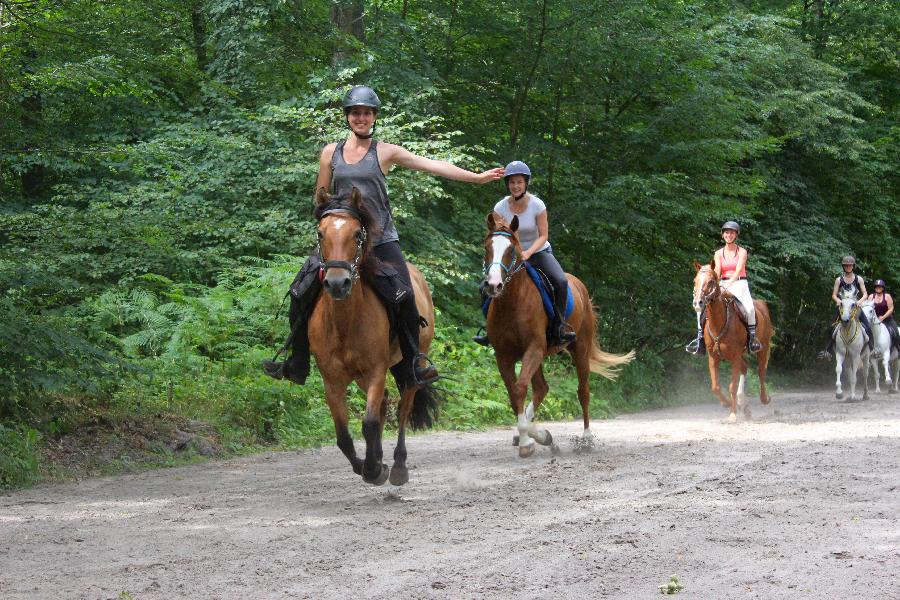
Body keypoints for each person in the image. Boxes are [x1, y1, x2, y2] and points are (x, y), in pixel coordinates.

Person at [263, 85, 504, 387]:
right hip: (343, 242)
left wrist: (476, 177)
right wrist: (332, 218)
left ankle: (414, 362)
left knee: (405, 296)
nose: (360, 117)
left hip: (381, 240)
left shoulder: (385, 152)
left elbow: (432, 165)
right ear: (348, 117)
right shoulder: (330, 153)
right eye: (355, 113)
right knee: (300, 290)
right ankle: (297, 361)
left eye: (366, 113)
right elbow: (320, 195)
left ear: (374, 117)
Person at [472, 160, 576, 348]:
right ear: (507, 185)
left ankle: (559, 327)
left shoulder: (537, 205)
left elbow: (544, 235)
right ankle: (489, 330)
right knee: (485, 286)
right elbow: (499, 236)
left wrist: (528, 252)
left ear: (525, 183)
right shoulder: (500, 208)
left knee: (560, 282)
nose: (515, 186)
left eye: (519, 182)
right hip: (510, 254)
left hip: (538, 251)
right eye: (512, 182)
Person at [685, 221, 761, 354]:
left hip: (739, 283)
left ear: (736, 235)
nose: (729, 235)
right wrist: (717, 284)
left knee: (749, 309)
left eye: (732, 232)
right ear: (723, 235)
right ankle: (699, 339)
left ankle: (752, 339)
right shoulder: (718, 253)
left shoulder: (742, 251)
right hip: (722, 283)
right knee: (701, 307)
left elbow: (738, 271)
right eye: (726, 232)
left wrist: (728, 284)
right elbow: (718, 271)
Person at [821, 256, 873, 358]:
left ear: (853, 266)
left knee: (867, 327)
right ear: (843, 267)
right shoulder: (839, 280)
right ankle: (827, 351)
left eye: (850, 265)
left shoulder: (859, 279)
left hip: (855, 308)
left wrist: (859, 302)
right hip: (842, 308)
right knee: (831, 327)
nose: (848, 267)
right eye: (846, 265)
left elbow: (865, 294)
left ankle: (872, 350)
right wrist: (838, 300)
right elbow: (834, 294)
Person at [868, 279, 900, 355]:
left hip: (887, 320)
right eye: (877, 287)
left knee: (895, 332)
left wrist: (883, 317)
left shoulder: (887, 296)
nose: (878, 288)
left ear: (883, 288)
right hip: (874, 321)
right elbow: (868, 308)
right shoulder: (871, 297)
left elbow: (891, 309)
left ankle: (898, 349)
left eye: (880, 287)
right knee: (865, 332)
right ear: (875, 288)